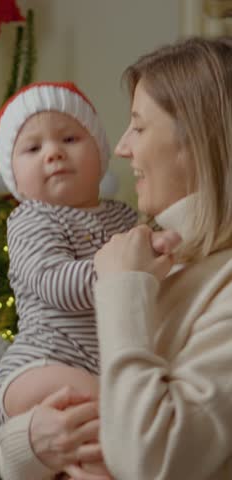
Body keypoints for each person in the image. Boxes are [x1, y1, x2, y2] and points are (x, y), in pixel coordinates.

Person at [93, 35, 232, 479]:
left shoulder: (218, 283)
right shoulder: (162, 262)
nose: (121, 148)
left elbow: (151, 461)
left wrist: (121, 290)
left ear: (197, 138)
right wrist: (30, 444)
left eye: (138, 125)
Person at [0, 81, 138, 479]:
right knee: (114, 409)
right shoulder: (32, 220)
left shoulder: (123, 217)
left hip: (97, 363)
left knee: (96, 443)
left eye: (69, 138)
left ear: (100, 153)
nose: (53, 152)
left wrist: (160, 247)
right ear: (14, 174)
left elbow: (149, 259)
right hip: (41, 362)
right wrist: (118, 268)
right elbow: (52, 282)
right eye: (33, 148)